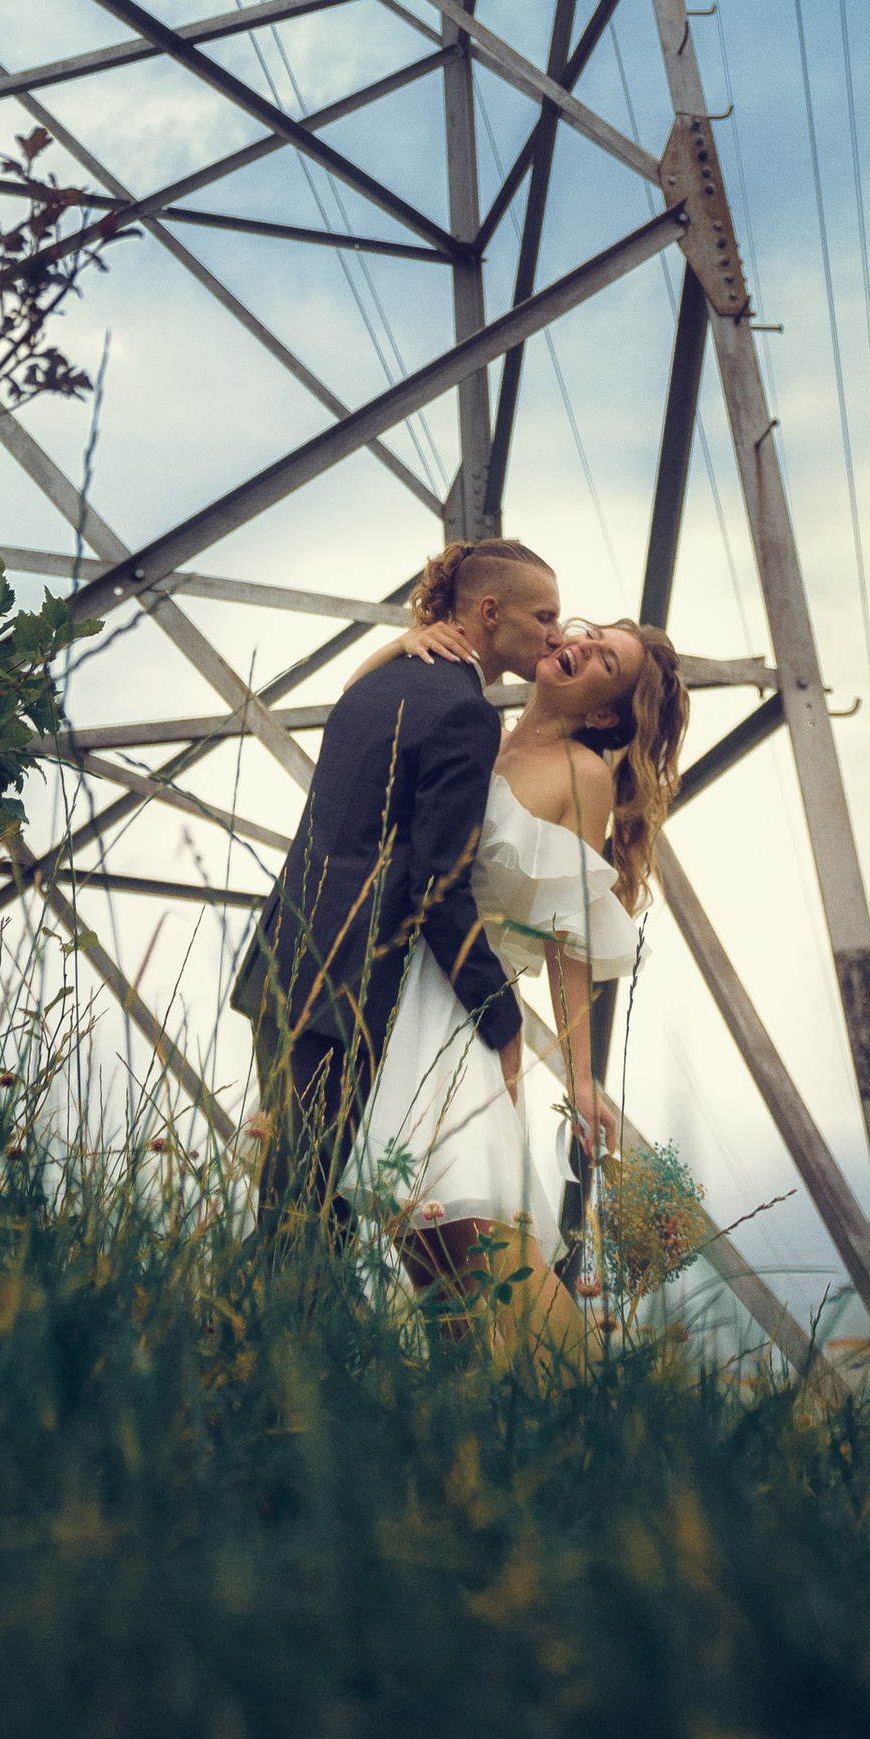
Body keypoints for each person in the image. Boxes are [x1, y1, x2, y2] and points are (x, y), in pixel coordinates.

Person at [344, 566, 688, 1360]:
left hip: (468, 1020)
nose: (581, 646)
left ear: (605, 708)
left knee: (489, 1244)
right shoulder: (484, 732)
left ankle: (595, 1421)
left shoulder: (585, 775)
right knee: (432, 1258)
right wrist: (401, 644)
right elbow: (355, 723)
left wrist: (578, 1073)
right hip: (409, 1000)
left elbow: (570, 933)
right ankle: (472, 1444)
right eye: (591, 636)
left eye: (605, 663)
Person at [235, 536, 564, 1256]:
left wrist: (396, 645)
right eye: (544, 616)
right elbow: (439, 890)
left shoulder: (376, 686)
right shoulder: (465, 713)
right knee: (302, 1222)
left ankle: (259, 1353)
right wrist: (499, 1017)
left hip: (283, 964)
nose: (556, 633)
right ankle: (247, 1357)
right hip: (345, 988)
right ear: (488, 609)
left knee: (293, 1203)